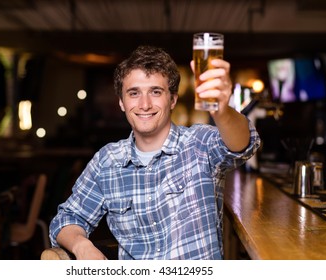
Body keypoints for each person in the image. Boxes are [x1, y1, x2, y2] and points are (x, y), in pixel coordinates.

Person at [49, 45, 261, 260]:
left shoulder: (199, 144)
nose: (145, 104)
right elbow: (67, 219)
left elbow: (244, 145)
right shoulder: (107, 161)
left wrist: (222, 111)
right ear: (122, 102)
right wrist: (82, 245)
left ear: (173, 100)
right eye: (134, 93)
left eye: (156, 92)